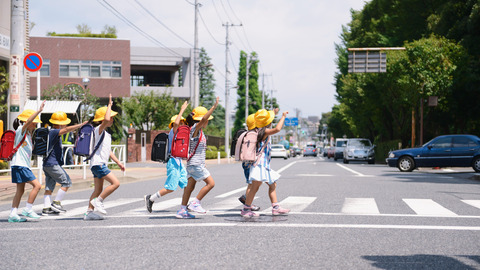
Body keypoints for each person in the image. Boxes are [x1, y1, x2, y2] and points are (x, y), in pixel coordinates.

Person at [144, 101, 195, 219]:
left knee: (186, 183)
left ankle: (184, 206)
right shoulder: (174, 131)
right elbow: (176, 123)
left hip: (179, 162)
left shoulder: (181, 134)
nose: (182, 123)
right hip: (173, 162)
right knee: (171, 187)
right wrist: (182, 110)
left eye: (183, 122)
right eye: (181, 122)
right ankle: (151, 198)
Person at [241, 108, 291, 218]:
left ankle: (275, 207)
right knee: (255, 187)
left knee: (273, 184)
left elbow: (266, 120)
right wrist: (283, 116)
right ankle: (246, 209)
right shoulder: (263, 132)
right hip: (259, 165)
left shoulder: (257, 131)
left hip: (264, 165)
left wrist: (273, 112)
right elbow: (277, 129)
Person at [84, 94, 125, 220]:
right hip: (98, 163)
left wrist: (118, 162)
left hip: (99, 164)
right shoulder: (98, 130)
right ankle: (99, 201)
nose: (112, 119)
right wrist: (109, 105)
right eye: (111, 117)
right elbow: (106, 120)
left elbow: (109, 151)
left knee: (97, 189)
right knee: (116, 183)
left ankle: (89, 212)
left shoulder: (106, 134)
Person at [42, 112, 87, 215]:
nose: (65, 125)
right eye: (64, 123)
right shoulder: (54, 132)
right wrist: (80, 125)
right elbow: (66, 130)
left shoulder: (51, 131)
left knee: (49, 187)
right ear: (59, 124)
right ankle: (56, 203)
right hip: (52, 164)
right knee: (67, 182)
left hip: (47, 164)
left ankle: (46, 208)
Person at [180, 97, 219, 215]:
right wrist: (213, 107)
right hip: (195, 164)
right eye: (207, 120)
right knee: (211, 183)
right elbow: (203, 119)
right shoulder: (195, 129)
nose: (208, 121)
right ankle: (195, 203)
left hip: (193, 164)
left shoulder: (198, 131)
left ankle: (182, 210)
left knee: (189, 188)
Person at [8, 101, 45, 222]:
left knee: (20, 190)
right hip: (20, 165)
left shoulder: (28, 135)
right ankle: (28, 209)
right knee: (37, 185)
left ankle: (13, 214)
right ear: (26, 122)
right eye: (34, 123)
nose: (35, 125)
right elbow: (28, 121)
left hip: (21, 165)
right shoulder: (21, 130)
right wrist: (39, 111)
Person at [237, 113, 260, 211]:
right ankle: (247, 204)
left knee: (252, 183)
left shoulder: (246, 134)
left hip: (245, 162)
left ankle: (246, 199)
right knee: (252, 184)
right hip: (251, 162)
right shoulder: (254, 135)